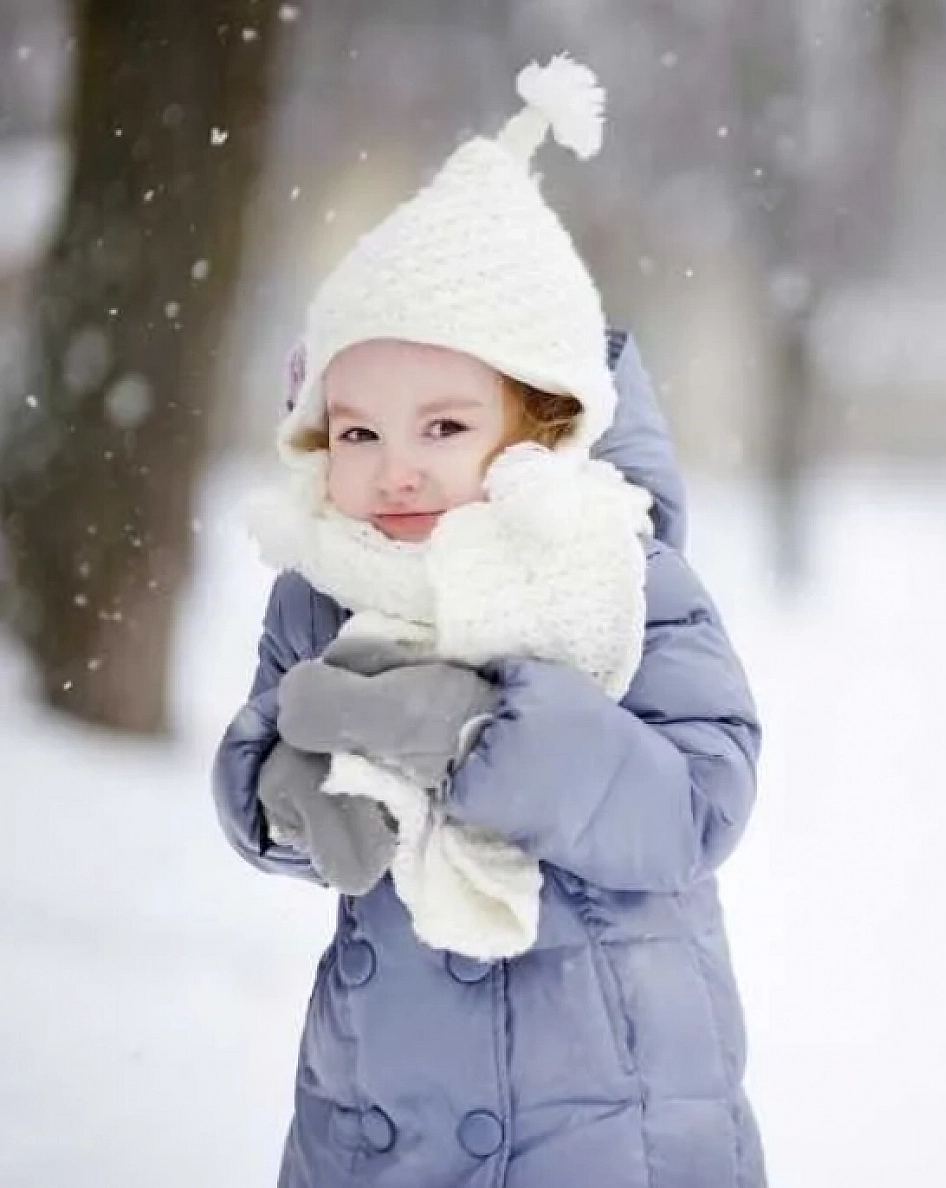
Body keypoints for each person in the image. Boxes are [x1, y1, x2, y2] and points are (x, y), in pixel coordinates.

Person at [211, 53, 765, 1187]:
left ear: (542, 424)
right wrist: (288, 797)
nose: (395, 471)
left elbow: (697, 802)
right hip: (381, 1113)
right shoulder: (322, 584)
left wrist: (477, 737)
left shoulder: (620, 571)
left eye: (444, 427)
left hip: (612, 1119)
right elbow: (259, 751)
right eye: (358, 433)